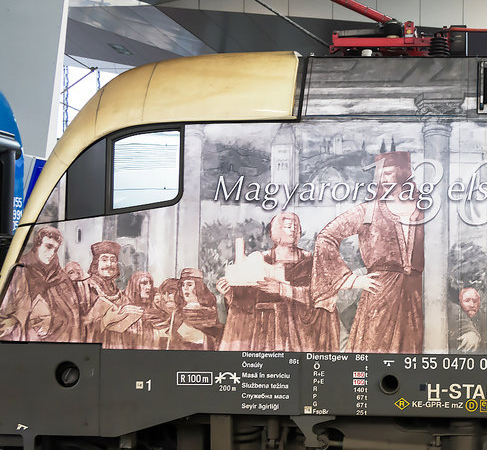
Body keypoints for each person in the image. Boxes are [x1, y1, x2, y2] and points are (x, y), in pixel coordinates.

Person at [311, 151, 424, 353]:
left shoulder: (422, 208)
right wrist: (352, 280)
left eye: (389, 172)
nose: (384, 178)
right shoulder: (368, 210)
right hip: (380, 295)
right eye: (381, 173)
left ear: (404, 173)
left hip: (414, 297)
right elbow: (326, 237)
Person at [218, 212, 340, 352]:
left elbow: (323, 295)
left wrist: (282, 289)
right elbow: (245, 303)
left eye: (296, 226)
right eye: (288, 226)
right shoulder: (259, 259)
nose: (294, 230)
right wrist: (229, 293)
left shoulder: (310, 261)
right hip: (263, 329)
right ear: (275, 231)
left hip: (297, 330)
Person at [0, 226, 81, 342]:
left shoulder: (61, 278)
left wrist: (53, 320)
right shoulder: (20, 269)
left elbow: (73, 314)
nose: (51, 253)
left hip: (58, 343)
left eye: (55, 250)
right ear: (37, 244)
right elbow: (4, 311)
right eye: (48, 246)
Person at [82, 241, 144, 348]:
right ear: (96, 263)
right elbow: (77, 327)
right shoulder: (85, 290)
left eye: (113, 260)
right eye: (104, 260)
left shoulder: (122, 296)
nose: (109, 265)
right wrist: (106, 320)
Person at [169, 268, 222, 350]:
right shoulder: (178, 313)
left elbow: (217, 338)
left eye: (189, 285)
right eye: (183, 285)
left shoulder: (211, 312)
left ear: (198, 287)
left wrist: (200, 337)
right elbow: (172, 341)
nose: (185, 288)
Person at [449, 286, 485, 353]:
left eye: (475, 301)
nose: (472, 305)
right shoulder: (455, 313)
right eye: (467, 301)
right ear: (460, 303)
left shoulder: (484, 318)